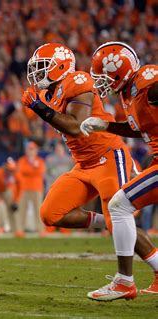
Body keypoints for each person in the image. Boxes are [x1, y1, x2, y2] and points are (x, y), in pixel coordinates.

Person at [22, 42, 157, 298]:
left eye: (42, 68)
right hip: (83, 164)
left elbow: (74, 126)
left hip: (107, 157)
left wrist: (39, 107)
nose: (37, 74)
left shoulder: (78, 80)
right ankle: (105, 223)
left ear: (60, 67)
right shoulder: (50, 93)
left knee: (118, 213)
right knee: (51, 214)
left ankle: (140, 276)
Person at [80, 42, 158, 301]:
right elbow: (138, 128)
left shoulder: (147, 80)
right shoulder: (129, 93)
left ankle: (124, 281)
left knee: (119, 204)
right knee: (121, 204)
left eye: (104, 77)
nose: (101, 84)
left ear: (119, 71)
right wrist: (106, 125)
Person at [16, 142, 45, 235]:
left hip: (37, 188)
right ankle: (20, 229)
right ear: (26, 151)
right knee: (22, 210)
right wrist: (33, 169)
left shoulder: (40, 161)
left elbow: (40, 172)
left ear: (36, 151)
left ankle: (41, 230)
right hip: (24, 188)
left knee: (38, 210)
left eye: (32, 149)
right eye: (29, 149)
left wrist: (29, 171)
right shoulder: (21, 160)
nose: (31, 151)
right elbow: (20, 172)